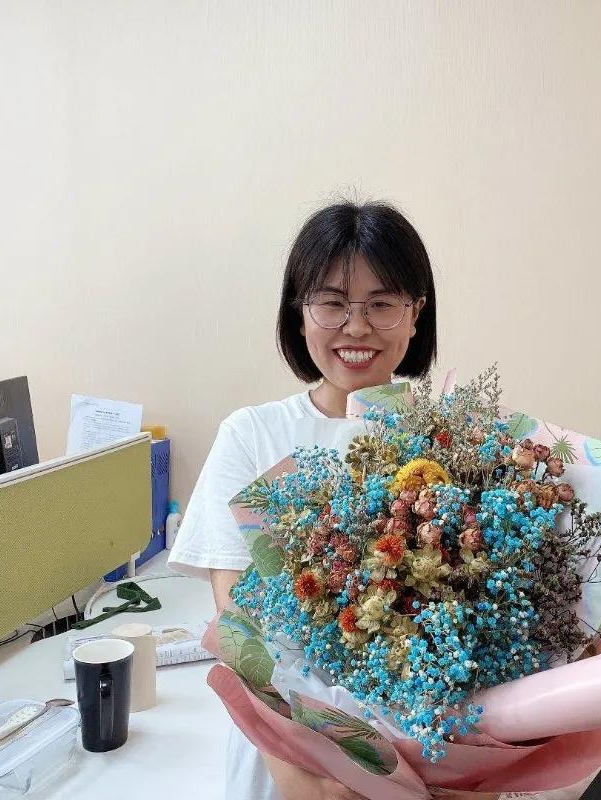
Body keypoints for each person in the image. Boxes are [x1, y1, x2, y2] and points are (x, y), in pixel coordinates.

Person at [169, 198, 438, 800]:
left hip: (423, 751)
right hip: (283, 753)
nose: (357, 327)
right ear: (299, 312)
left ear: (415, 314)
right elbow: (238, 624)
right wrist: (297, 771)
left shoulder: (449, 439)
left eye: (382, 303)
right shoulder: (252, 435)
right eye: (332, 302)